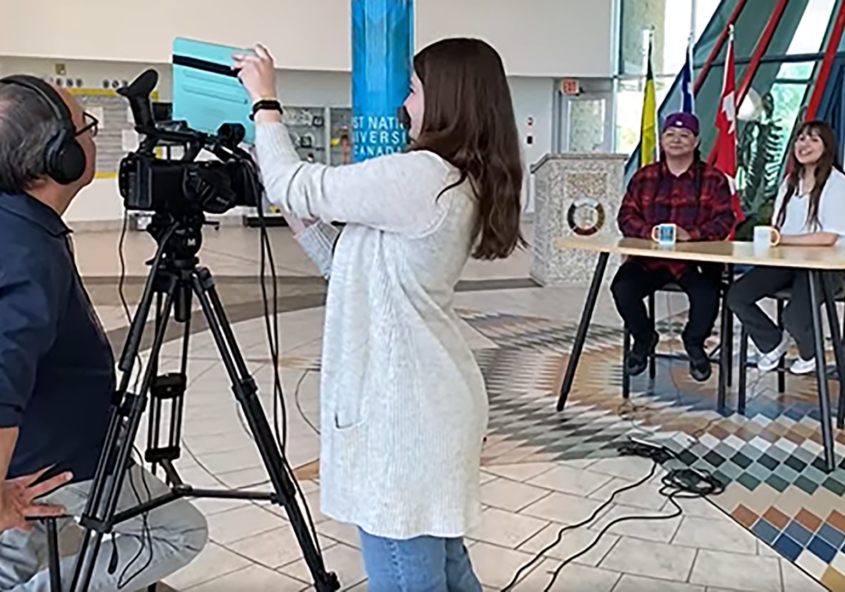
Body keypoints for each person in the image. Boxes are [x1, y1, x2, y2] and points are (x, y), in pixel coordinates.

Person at [235, 38, 523, 591]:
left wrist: (264, 101)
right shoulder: (453, 180)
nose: (404, 104)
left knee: (407, 576)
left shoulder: (424, 177)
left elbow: (297, 182)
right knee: (446, 569)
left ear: (446, 99)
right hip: (425, 407)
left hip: (404, 418)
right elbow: (346, 262)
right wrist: (285, 189)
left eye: (413, 90)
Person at [0, 75, 207, 591]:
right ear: (61, 158)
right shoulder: (28, 255)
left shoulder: (19, 224)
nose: (92, 137)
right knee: (180, 533)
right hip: (59, 465)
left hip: (43, 452)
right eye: (85, 128)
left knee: (29, 551)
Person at [612, 112, 735, 382]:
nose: (676, 140)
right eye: (670, 134)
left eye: (684, 135)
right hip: (650, 260)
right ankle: (644, 338)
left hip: (695, 262)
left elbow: (725, 220)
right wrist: (649, 232)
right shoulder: (644, 177)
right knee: (622, 288)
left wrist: (691, 235)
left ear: (696, 141)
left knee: (707, 295)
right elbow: (626, 217)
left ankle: (694, 342)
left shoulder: (714, 179)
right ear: (662, 140)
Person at [727, 121, 845, 374]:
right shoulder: (790, 181)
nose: (804, 144)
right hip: (787, 262)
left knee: (794, 317)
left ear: (827, 147)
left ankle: (811, 353)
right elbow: (776, 227)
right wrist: (773, 240)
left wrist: (782, 240)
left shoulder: (838, 183)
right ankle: (771, 343)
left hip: (826, 267)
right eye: (801, 138)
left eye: (813, 139)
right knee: (737, 295)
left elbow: (828, 238)